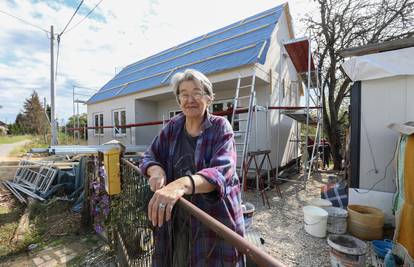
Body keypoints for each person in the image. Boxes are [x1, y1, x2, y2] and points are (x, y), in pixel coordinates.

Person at [140, 69, 245, 266]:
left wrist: (179, 185)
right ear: (178, 100)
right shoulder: (173, 127)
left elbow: (221, 171)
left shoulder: (221, 127)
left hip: (213, 219)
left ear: (209, 98)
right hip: (179, 217)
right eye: (184, 94)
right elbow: (150, 154)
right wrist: (156, 169)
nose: (190, 99)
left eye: (197, 92)